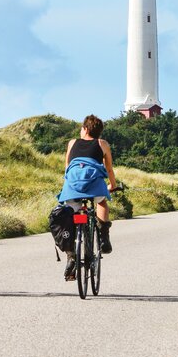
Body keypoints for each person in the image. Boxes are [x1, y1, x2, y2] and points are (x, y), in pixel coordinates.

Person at [56, 114, 119, 280]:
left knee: (70, 214)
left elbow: (67, 168)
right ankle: (104, 237)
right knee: (102, 202)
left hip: (73, 187)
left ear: (84, 129)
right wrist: (112, 185)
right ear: (99, 131)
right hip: (93, 185)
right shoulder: (102, 143)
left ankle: (71, 255)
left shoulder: (72, 143)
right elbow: (109, 169)